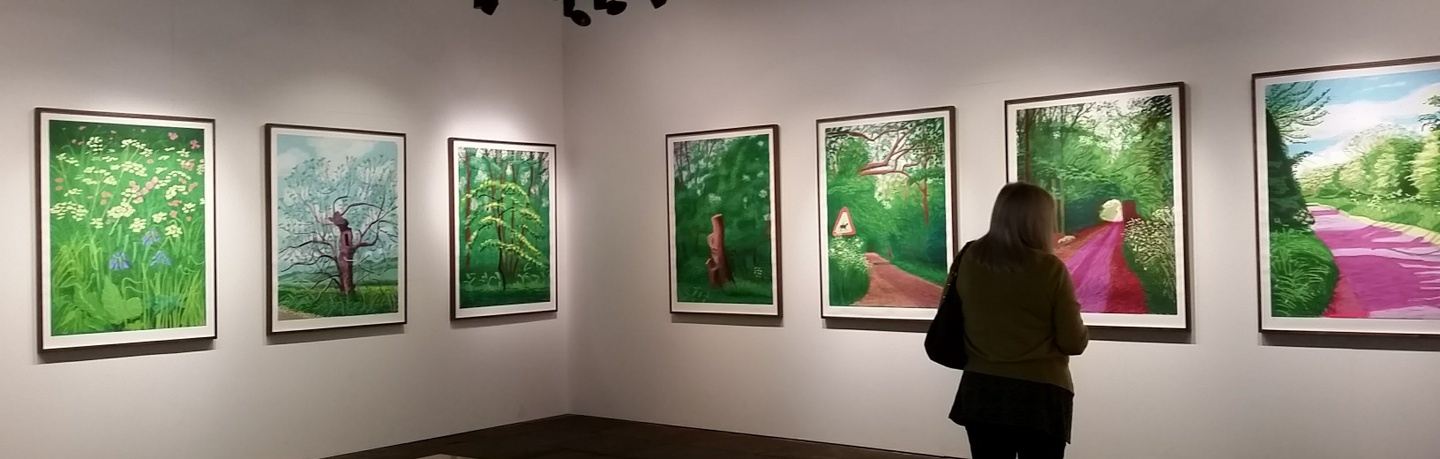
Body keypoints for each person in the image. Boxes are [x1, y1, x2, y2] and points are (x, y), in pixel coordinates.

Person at [950, 182, 1089, 459]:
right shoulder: (1049, 269)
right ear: (1040, 221)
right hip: (1039, 393)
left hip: (980, 388)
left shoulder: (969, 258)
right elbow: (1073, 342)